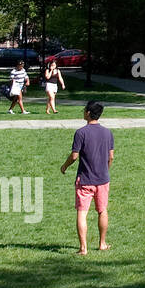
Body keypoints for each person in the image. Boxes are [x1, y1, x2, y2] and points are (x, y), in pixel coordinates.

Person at [59, 101, 114, 255]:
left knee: (82, 212)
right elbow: (111, 157)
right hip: (103, 179)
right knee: (102, 210)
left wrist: (64, 166)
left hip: (85, 179)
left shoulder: (81, 133)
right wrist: (105, 170)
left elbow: (74, 156)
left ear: (88, 113)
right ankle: (102, 243)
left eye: (84, 110)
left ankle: (83, 248)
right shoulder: (107, 133)